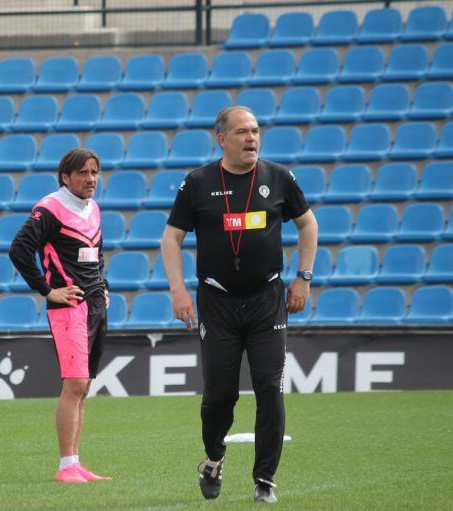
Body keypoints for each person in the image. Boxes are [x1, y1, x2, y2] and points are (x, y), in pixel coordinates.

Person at [161, 107, 318, 503]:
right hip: (217, 301)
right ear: (222, 139)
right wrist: (177, 290)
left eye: (256, 130)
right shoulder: (197, 183)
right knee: (220, 394)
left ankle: (264, 479)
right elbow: (171, 238)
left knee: (270, 386)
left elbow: (308, 224)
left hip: (267, 299)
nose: (252, 138)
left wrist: (303, 277)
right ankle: (213, 458)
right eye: (243, 132)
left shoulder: (279, 178)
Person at [9, 148, 111, 484]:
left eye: (94, 172)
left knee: (84, 388)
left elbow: (96, 252)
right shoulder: (50, 208)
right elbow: (19, 248)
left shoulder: (92, 207)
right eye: (82, 173)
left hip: (95, 305)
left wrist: (104, 285)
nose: (90, 179)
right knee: (76, 384)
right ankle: (66, 465)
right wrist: (46, 290)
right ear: (65, 177)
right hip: (69, 308)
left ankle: (76, 462)